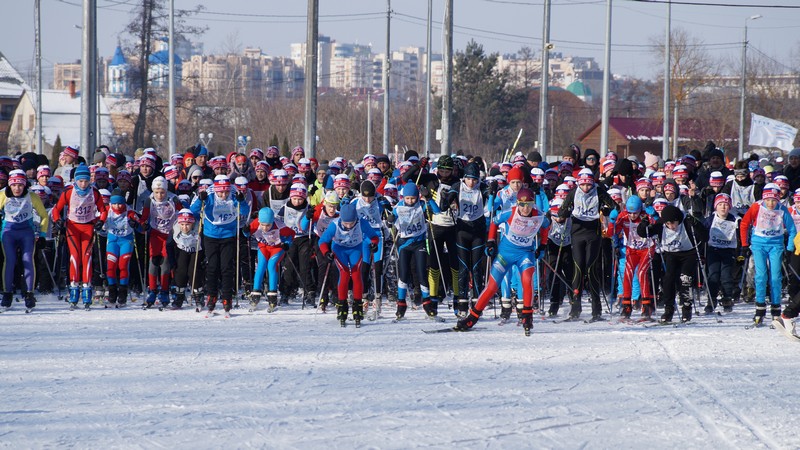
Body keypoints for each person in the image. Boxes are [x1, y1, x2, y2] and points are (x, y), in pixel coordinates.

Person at [454, 188, 549, 335]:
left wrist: (543, 245)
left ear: (533, 205)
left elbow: (546, 226)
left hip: (525, 254)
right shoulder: (511, 212)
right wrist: (491, 241)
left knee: (527, 279)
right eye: (522, 205)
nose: (525, 209)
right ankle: (472, 317)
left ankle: (527, 316)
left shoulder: (538, 215)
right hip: (505, 254)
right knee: (492, 287)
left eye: (529, 205)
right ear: (517, 204)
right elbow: (494, 221)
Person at [556, 168, 615, 321]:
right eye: (583, 185)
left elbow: (614, 207)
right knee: (578, 269)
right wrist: (564, 214)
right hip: (577, 233)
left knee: (591, 268)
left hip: (593, 234)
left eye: (589, 185)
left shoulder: (599, 191)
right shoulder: (574, 192)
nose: (586, 188)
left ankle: (597, 310)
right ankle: (575, 309)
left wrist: (605, 210)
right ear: (579, 184)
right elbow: (562, 211)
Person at [190, 175, 249, 317]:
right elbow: (193, 211)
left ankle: (227, 298)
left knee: (227, 267)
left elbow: (244, 211)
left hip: (228, 235)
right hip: (211, 235)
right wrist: (200, 199)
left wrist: (242, 201)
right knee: (212, 267)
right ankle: (211, 296)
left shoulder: (234, 194)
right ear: (216, 190)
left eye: (226, 192)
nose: (223, 195)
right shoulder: (210, 195)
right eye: (221, 192)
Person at [638, 205, 708, 323]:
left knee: (685, 279)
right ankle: (669, 309)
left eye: (674, 223)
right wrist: (643, 225)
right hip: (671, 254)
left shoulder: (686, 222)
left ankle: (687, 308)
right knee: (668, 280)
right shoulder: (661, 224)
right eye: (669, 224)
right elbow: (644, 233)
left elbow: (705, 237)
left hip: (688, 253)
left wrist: (696, 224)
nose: (672, 227)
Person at [739, 183, 796, 326]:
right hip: (758, 244)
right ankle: (760, 309)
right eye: (768, 200)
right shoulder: (757, 207)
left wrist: (789, 249)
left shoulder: (782, 210)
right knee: (761, 275)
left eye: (774, 200)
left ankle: (776, 310)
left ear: (778, 199)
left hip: (775, 245)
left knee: (776, 277)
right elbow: (745, 224)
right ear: (764, 198)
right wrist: (745, 244)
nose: (770, 203)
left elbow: (792, 230)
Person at [52, 164, 108, 309]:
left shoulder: (94, 193)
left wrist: (101, 221)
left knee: (87, 257)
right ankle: (74, 290)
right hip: (72, 228)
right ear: (75, 180)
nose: (83, 184)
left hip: (88, 227)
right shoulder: (69, 192)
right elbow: (56, 210)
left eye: (86, 181)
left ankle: (87, 290)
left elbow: (103, 210)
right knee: (75, 257)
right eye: (80, 181)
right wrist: (58, 221)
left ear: (90, 180)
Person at [318, 202, 381, 327]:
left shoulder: (361, 222)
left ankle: (357, 306)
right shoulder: (334, 225)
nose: (348, 226)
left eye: (351, 223)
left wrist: (374, 244)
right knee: (345, 274)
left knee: (357, 275)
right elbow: (322, 241)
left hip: (355, 249)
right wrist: (326, 253)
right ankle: (342, 305)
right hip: (339, 249)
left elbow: (374, 236)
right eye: (346, 223)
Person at [385, 183, 440, 321]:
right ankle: (401, 305)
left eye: (413, 198)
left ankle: (427, 304)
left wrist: (428, 198)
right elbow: (390, 221)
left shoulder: (421, 205)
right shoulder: (399, 207)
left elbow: (437, 211)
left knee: (422, 273)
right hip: (404, 244)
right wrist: (390, 220)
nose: (410, 201)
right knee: (403, 275)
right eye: (408, 198)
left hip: (419, 243)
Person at [0, 170, 49, 311]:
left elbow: (44, 215)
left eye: (20, 185)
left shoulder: (32, 196)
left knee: (28, 260)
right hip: (8, 232)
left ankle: (29, 294)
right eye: (14, 185)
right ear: (10, 185)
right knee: (9, 261)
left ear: (25, 185)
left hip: (26, 233)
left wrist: (43, 234)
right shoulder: (3, 195)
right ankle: (7, 294)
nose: (17, 188)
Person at [250, 207, 294, 312]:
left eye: (268, 225)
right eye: (263, 225)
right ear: (259, 221)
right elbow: (247, 232)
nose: (265, 228)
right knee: (261, 266)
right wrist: (246, 231)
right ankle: (255, 295)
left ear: (272, 221)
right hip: (263, 246)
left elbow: (291, 234)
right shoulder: (256, 223)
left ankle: (272, 297)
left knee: (271, 265)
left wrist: (287, 244)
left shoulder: (280, 226)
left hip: (277, 248)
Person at [702, 193, 738, 313]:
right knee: (713, 275)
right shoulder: (711, 219)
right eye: (720, 204)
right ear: (715, 207)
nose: (723, 207)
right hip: (713, 250)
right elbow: (702, 231)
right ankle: (711, 299)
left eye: (726, 205)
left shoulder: (734, 219)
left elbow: (741, 235)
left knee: (726, 276)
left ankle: (727, 298)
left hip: (728, 251)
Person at [104, 191, 140, 308]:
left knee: (123, 265)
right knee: (111, 266)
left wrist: (135, 224)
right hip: (113, 240)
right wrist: (99, 224)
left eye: (120, 203)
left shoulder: (129, 212)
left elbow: (141, 225)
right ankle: (112, 292)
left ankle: (123, 293)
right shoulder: (107, 210)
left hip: (126, 241)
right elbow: (98, 219)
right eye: (114, 204)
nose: (117, 206)